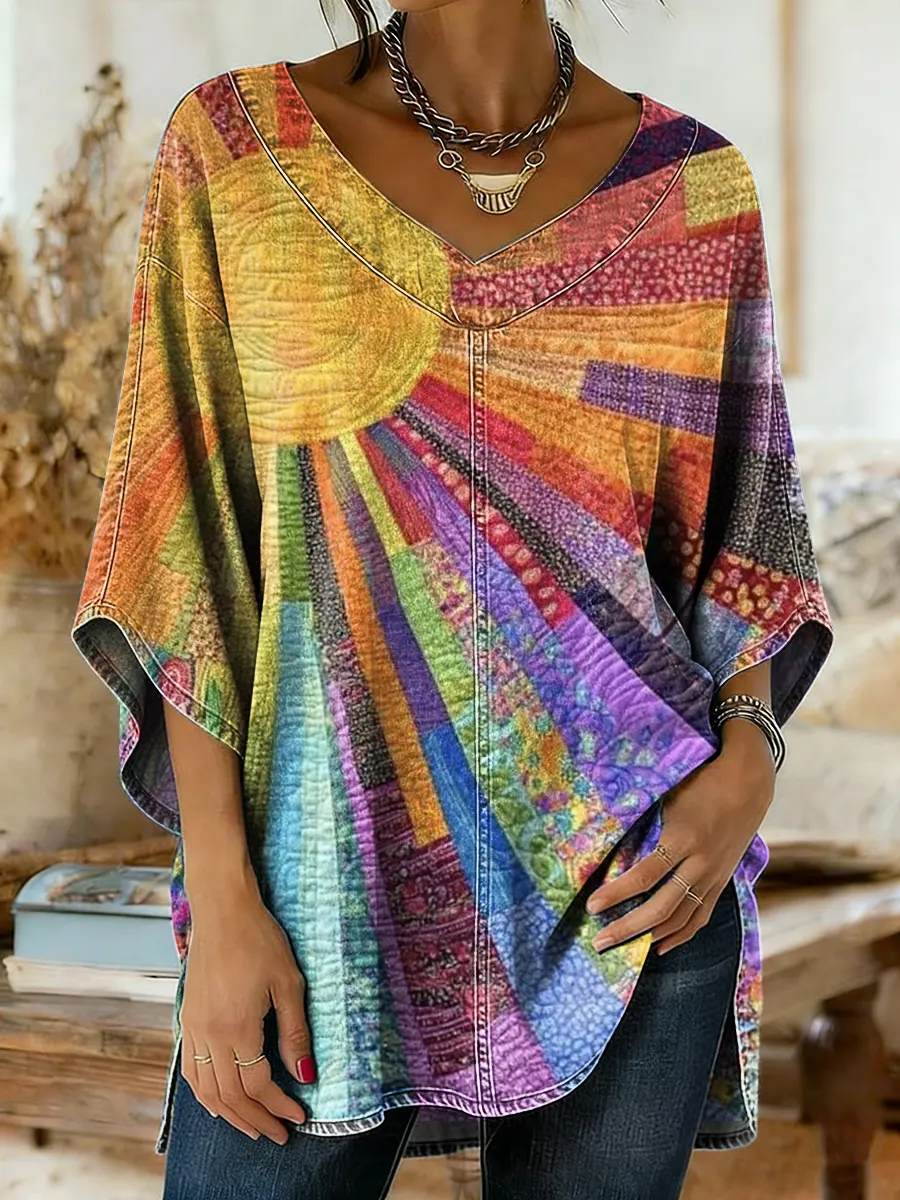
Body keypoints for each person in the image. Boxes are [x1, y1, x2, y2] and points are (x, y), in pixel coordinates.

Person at [70, 1, 834, 1196]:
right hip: (320, 891)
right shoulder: (236, 148)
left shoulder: (694, 185)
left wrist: (748, 763)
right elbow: (183, 549)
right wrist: (220, 891)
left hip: (633, 889)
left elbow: (741, 527)